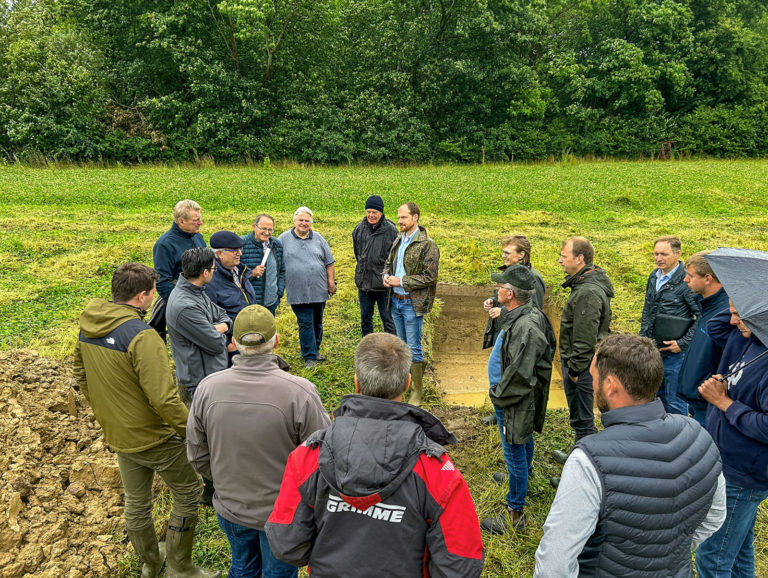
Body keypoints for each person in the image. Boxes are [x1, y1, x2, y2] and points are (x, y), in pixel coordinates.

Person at [265, 333, 484, 577]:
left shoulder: (308, 457)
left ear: (356, 382)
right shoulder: (436, 470)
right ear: (408, 383)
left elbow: (287, 545)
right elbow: (460, 563)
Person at [535, 334, 726, 578]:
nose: (593, 385)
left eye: (594, 377)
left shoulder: (589, 460)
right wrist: (667, 555)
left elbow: (555, 563)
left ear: (610, 385)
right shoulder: (699, 436)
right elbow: (716, 516)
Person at [72, 263, 220, 578]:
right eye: (153, 292)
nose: (154, 297)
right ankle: (180, 566)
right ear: (142, 296)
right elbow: (164, 399)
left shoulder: (89, 326)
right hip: (156, 437)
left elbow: (80, 374)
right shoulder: (142, 336)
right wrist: (193, 432)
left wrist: (108, 413)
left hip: (119, 434)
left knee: (137, 503)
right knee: (189, 490)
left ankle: (151, 564)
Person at [187, 305, 330, 578]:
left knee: (242, 567)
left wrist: (224, 480)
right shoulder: (300, 392)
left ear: (234, 342)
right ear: (276, 340)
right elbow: (322, 458)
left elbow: (196, 453)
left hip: (231, 507)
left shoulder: (207, 388)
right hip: (283, 514)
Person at [480, 266, 556, 535]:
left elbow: (521, 375)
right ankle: (523, 478)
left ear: (509, 293)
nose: (497, 288)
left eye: (500, 286)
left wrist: (498, 395)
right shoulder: (523, 314)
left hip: (513, 400)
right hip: (515, 398)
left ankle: (514, 512)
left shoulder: (526, 326)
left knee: (514, 449)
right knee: (522, 441)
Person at [695, 299, 768, 578]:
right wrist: (746, 296)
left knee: (713, 558)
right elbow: (713, 324)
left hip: (743, 474)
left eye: (739, 315)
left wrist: (725, 403)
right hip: (728, 463)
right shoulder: (749, 338)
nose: (732, 321)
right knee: (737, 553)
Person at [481, 234, 547, 427]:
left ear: (522, 255)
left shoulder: (533, 279)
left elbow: (533, 310)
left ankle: (506, 413)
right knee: (500, 371)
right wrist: (492, 301)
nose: (504, 256)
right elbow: (505, 297)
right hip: (507, 331)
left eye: (507, 253)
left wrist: (500, 312)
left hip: (518, 335)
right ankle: (500, 412)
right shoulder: (511, 272)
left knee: (507, 373)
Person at [382, 202, 440, 406]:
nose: (399, 221)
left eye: (403, 217)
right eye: (398, 217)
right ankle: (404, 383)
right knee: (401, 344)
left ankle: (417, 391)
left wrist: (402, 281)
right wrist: (386, 276)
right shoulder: (398, 240)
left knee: (413, 347)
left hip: (411, 304)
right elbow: (388, 263)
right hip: (395, 301)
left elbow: (430, 277)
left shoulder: (427, 245)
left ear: (415, 218)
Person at [557, 236, 614, 442]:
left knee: (583, 421)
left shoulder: (588, 292)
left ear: (579, 258)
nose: (560, 260)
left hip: (581, 368)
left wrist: (574, 370)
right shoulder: (586, 284)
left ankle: (583, 464)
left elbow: (584, 337)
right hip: (583, 365)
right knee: (581, 418)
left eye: (564, 256)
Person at [639, 236, 699, 415]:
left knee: (675, 403)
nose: (659, 258)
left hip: (675, 355)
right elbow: (647, 310)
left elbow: (702, 315)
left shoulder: (687, 281)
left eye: (664, 254)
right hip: (653, 351)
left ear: (677, 254)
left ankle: (681, 441)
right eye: (656, 254)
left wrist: (683, 343)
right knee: (656, 400)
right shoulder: (653, 276)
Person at [166, 247, 235, 401]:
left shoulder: (196, 291)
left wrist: (220, 327)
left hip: (209, 376)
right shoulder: (185, 306)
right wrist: (220, 329)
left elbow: (224, 316)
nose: (214, 271)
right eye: (213, 268)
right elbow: (216, 344)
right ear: (205, 273)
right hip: (199, 383)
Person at [278, 207, 336, 369]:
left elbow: (329, 263)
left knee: (317, 322)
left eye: (307, 221)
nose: (304, 223)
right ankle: (309, 356)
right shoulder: (282, 239)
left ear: (311, 223)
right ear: (294, 221)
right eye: (301, 220)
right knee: (305, 323)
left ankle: (315, 350)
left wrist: (331, 283)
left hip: (318, 289)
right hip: (297, 291)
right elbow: (275, 263)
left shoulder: (318, 239)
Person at [677, 251, 729, 426]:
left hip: (709, 405)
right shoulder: (706, 305)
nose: (685, 280)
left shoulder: (726, 314)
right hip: (697, 400)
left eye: (690, 276)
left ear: (708, 278)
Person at [150, 200, 207, 340]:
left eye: (200, 218)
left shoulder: (198, 237)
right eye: (196, 220)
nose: (201, 223)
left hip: (202, 296)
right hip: (181, 299)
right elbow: (162, 282)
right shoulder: (164, 244)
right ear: (181, 221)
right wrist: (182, 306)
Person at [352, 194, 398, 336]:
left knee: (387, 318)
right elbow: (358, 254)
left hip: (383, 285)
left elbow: (395, 258)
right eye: (368, 212)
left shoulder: (391, 230)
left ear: (381, 212)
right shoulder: (359, 229)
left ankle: (393, 349)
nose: (371, 215)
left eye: (374, 212)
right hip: (364, 284)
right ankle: (368, 348)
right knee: (365, 318)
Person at [205, 230, 256, 338]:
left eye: (240, 249)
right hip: (232, 342)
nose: (240, 253)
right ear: (219, 254)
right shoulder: (211, 280)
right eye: (234, 250)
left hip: (249, 335)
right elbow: (211, 320)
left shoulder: (241, 272)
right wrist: (228, 344)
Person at [241, 214, 285, 316]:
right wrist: (251, 274)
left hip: (271, 303)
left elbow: (282, 271)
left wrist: (279, 293)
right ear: (254, 227)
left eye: (270, 230)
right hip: (248, 304)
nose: (267, 232)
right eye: (263, 228)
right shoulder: (242, 245)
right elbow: (232, 273)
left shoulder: (276, 245)